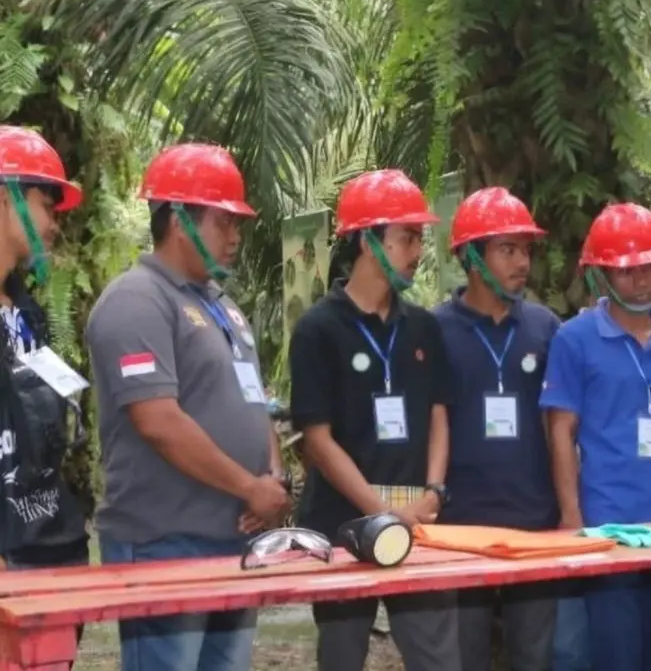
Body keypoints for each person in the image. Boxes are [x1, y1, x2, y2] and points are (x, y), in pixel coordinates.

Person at [86, 143, 290, 671]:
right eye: (223, 222)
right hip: (164, 541)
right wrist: (250, 488)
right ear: (179, 220)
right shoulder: (137, 299)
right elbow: (158, 421)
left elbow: (254, 399)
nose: (236, 236)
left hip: (233, 535)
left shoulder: (224, 307)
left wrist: (273, 477)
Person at [289, 169, 459, 671]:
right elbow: (317, 440)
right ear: (367, 241)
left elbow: (439, 414)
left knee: (439, 656)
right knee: (342, 656)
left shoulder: (423, 326)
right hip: (343, 522)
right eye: (406, 237)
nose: (417, 250)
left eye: (420, 238)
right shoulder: (319, 329)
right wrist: (380, 514)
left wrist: (434, 489)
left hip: (418, 521)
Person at [540, 202, 651, 671]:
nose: (643, 280)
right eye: (629, 270)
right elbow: (561, 429)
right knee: (617, 655)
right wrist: (573, 519)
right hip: (608, 526)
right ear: (601, 274)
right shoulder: (575, 339)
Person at [434, 186, 561, 671]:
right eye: (507, 249)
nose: (522, 262)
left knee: (534, 657)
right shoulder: (434, 330)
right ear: (471, 256)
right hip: (459, 525)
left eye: (526, 249)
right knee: (465, 658)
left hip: (534, 522)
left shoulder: (546, 327)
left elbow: (561, 425)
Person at [0, 127, 90, 575]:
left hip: (51, 545)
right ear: (5, 198)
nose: (54, 224)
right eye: (46, 207)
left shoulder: (27, 313)